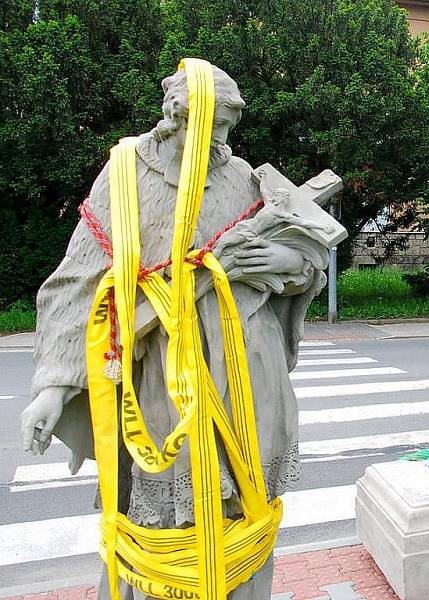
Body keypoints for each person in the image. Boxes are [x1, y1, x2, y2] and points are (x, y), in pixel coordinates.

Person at [19, 63, 332, 599]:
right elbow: (77, 280)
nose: (221, 145)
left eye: (228, 132)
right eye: (211, 130)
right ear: (174, 117)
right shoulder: (125, 176)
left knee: (246, 506)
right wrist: (54, 386)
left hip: (247, 370)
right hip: (161, 379)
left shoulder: (242, 178)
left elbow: (304, 264)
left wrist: (282, 258)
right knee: (165, 522)